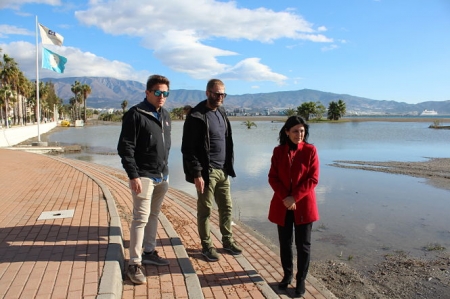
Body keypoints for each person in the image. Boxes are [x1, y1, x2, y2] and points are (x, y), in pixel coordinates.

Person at [117, 74, 172, 284]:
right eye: (157, 92)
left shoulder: (165, 115)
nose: (161, 97)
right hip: (143, 176)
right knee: (140, 218)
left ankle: (149, 252)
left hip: (162, 176)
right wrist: (133, 175)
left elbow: (165, 146)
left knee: (154, 215)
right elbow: (125, 147)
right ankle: (134, 263)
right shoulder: (135, 114)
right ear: (147, 92)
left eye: (165, 93)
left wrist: (165, 171)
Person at [181, 78, 242, 262]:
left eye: (223, 94)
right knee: (205, 210)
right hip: (207, 172)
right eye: (217, 94)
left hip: (223, 170)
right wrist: (197, 174)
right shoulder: (197, 116)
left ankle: (227, 240)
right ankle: (207, 246)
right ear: (207, 93)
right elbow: (188, 149)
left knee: (226, 207)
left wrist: (228, 166)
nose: (220, 97)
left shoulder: (221, 112)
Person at [267, 116, 319, 297]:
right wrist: (286, 198)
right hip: (283, 205)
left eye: (302, 131)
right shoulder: (278, 151)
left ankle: (301, 280)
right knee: (285, 243)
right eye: (296, 131)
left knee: (303, 245)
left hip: (304, 205)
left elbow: (313, 178)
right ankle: (287, 275)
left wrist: (295, 197)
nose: (300, 134)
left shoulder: (310, 151)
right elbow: (272, 177)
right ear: (287, 132)